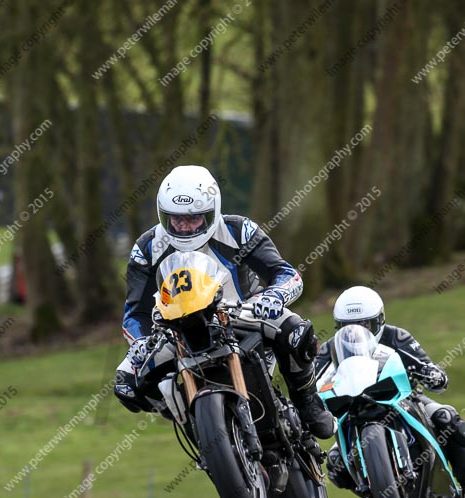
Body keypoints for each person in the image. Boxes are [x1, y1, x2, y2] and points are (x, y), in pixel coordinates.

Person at [114, 164, 335, 439]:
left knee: (296, 332)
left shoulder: (239, 230)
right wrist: (139, 343)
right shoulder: (147, 248)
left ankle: (307, 400)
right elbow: (136, 313)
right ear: (163, 215)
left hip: (242, 314)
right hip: (175, 331)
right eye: (175, 219)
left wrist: (274, 295)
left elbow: (286, 273)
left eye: (193, 219)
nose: (183, 227)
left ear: (212, 212)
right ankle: (194, 421)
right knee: (126, 384)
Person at [316, 285, 465, 489]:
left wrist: (432, 374)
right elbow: (310, 383)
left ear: (379, 320)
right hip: (353, 410)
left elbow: (427, 366)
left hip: (405, 399)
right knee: (334, 463)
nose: (358, 331)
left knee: (446, 418)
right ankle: (375, 492)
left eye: (365, 324)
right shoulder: (328, 349)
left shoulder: (397, 336)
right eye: (348, 326)